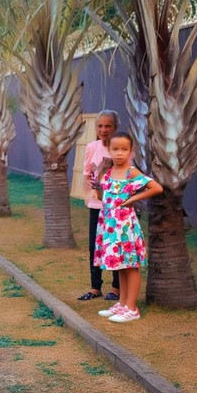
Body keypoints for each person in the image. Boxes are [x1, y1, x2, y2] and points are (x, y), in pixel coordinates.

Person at [94, 132, 163, 323]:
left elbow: (156, 188)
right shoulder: (108, 172)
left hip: (125, 226)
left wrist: (132, 199)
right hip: (109, 225)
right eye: (115, 149)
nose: (119, 153)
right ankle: (122, 304)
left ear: (131, 151)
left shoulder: (130, 172)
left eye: (124, 149)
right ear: (109, 149)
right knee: (120, 266)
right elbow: (103, 197)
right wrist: (95, 185)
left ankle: (132, 308)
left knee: (130, 266)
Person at [78, 110, 122, 301]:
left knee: (114, 245)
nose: (103, 130)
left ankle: (116, 289)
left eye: (108, 126)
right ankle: (95, 287)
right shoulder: (91, 147)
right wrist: (87, 183)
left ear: (115, 127)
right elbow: (87, 173)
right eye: (100, 126)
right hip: (96, 204)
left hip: (115, 206)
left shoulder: (121, 146)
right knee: (94, 246)